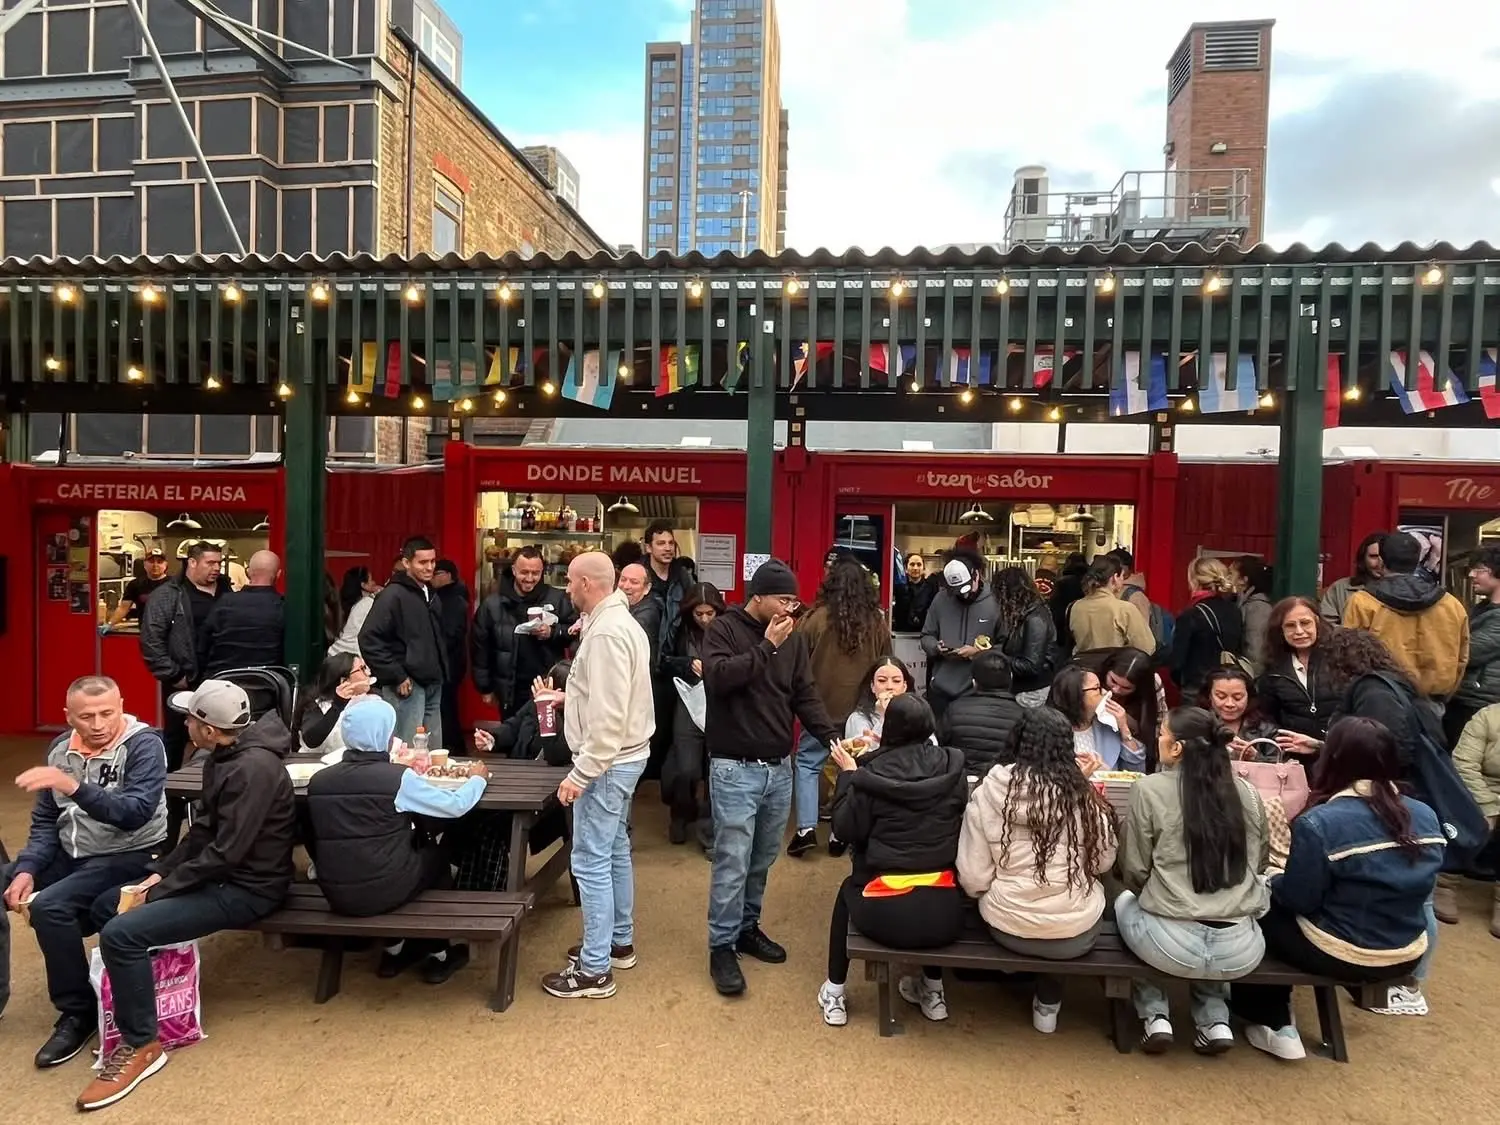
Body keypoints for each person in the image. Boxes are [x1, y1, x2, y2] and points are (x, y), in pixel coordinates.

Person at [81, 680, 295, 1111]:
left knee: (122, 934)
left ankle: (143, 1045)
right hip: (222, 875)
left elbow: (227, 853)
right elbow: (203, 832)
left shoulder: (252, 769)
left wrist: (163, 887)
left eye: (192, 718)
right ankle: (131, 1010)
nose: (185, 723)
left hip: (249, 888)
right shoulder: (222, 755)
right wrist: (159, 873)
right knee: (108, 906)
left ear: (210, 730)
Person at [1229, 718, 1445, 1060]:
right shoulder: (1426, 815)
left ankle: (1270, 1018)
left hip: (1342, 950)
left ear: (1334, 760)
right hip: (1406, 951)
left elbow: (1299, 899)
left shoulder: (1322, 822)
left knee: (1258, 905)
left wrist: (1270, 877)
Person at [1, 677, 166, 1069]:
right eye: (86, 716)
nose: (98, 724)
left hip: (130, 853)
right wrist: (26, 869)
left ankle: (76, 1013)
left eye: (107, 713)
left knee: (51, 907)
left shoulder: (145, 745)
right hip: (71, 852)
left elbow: (133, 814)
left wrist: (73, 786)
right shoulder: (60, 748)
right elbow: (45, 821)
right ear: (68, 716)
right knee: (10, 879)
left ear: (122, 706)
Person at [701, 559, 839, 997]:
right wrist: (765, 646)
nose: (790, 609)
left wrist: (832, 737)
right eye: (783, 600)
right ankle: (721, 946)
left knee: (761, 859)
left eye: (795, 601)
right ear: (757, 597)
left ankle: (747, 928)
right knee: (732, 862)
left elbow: (803, 693)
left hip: (778, 770)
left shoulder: (793, 637)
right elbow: (719, 680)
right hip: (733, 768)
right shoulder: (723, 629)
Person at [1116, 707, 1270, 1055]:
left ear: (1177, 748)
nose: (1158, 738)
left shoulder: (1149, 789)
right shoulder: (1247, 792)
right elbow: (1260, 864)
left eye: (1162, 733)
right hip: (1241, 948)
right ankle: (1215, 1021)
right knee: (1211, 914)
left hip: (1168, 943)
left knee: (1125, 901)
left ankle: (1154, 1014)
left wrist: (1162, 893)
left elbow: (1135, 870)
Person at [305, 697, 491, 982]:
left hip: (335, 894)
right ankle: (438, 953)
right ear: (385, 734)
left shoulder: (320, 781)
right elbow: (454, 806)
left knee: (398, 852)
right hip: (385, 890)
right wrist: (478, 779)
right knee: (437, 854)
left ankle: (395, 950)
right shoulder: (396, 778)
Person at [957, 707, 1119, 1034]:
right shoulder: (1083, 795)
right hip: (1075, 931)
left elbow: (973, 878)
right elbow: (1103, 862)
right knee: (1086, 903)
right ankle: (1048, 1004)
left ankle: (1010, 979)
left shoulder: (991, 790)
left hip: (1006, 924)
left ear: (1017, 740)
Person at [540, 551, 655, 999]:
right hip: (627, 755)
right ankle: (617, 942)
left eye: (570, 581)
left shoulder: (605, 632)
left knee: (589, 860)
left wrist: (580, 774)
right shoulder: (622, 623)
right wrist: (575, 699)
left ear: (588, 583)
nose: (566, 589)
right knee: (614, 850)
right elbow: (619, 695)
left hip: (606, 762)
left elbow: (607, 718)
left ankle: (594, 969)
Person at [817, 696, 967, 1028]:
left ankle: (834, 991)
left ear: (890, 728)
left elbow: (843, 829)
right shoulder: (952, 767)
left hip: (886, 909)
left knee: (845, 893)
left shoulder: (869, 771)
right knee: (932, 875)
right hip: (946, 910)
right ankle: (933, 991)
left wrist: (847, 776)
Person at [790, 557, 892, 856]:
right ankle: (839, 834)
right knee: (854, 769)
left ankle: (806, 829)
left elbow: (796, 662)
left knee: (808, 765)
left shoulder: (813, 619)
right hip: (861, 712)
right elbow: (885, 666)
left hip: (819, 709)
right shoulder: (877, 623)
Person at [139, 540, 225, 838]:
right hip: (184, 684)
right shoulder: (168, 595)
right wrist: (173, 675)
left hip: (220, 685)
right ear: (191, 562)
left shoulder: (227, 592)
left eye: (218, 563)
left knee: (222, 747)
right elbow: (151, 640)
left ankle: (215, 813)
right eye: (210, 563)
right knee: (176, 748)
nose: (216, 568)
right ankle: (168, 828)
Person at [1342, 530, 1470, 702]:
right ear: (1417, 560)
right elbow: (1462, 659)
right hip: (1433, 699)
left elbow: (1350, 654)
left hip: (1379, 697)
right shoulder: (1451, 604)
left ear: (1381, 560)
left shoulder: (1362, 602)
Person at [360, 536, 448, 747]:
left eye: (433, 561)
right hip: (408, 684)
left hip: (432, 680)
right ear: (406, 563)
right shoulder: (392, 595)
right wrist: (396, 675)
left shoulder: (429, 593)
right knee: (406, 750)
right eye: (423, 562)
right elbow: (368, 638)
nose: (429, 567)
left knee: (433, 750)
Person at [471, 545, 574, 721]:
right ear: (513, 570)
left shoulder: (557, 599)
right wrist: (485, 687)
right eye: (524, 572)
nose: (529, 578)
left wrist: (553, 632)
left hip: (547, 684)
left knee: (544, 740)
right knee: (511, 738)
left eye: (536, 573)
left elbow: (574, 631)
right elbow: (480, 647)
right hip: (509, 687)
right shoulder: (493, 604)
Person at [660, 584, 726, 847]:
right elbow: (662, 661)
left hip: (719, 705)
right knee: (686, 769)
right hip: (687, 703)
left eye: (710, 613)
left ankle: (709, 832)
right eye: (699, 614)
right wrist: (686, 664)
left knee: (716, 772)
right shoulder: (679, 629)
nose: (705, 619)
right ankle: (682, 811)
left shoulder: (728, 628)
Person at [920, 550, 999, 721]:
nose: (964, 595)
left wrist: (979, 653)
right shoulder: (941, 599)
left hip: (977, 691)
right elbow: (926, 635)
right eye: (956, 592)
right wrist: (935, 647)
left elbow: (1004, 646)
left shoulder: (996, 602)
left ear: (976, 575)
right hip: (941, 689)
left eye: (967, 589)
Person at [1451, 703, 1500, 936]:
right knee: (1461, 807)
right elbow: (1463, 764)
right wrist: (1489, 804)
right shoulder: (1488, 717)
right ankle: (1445, 882)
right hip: (1479, 789)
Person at [198, 549, 285, 676]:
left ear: (248, 572)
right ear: (278, 574)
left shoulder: (224, 602)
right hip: (265, 683)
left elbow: (203, 645)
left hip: (222, 681)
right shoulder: (282, 607)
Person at [1046, 663, 1146, 772]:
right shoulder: (1048, 731)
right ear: (1077, 694)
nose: (1105, 692)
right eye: (1097, 688)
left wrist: (1124, 729)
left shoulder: (1108, 727)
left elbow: (1136, 773)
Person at [940, 650, 1024, 779]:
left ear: (974, 682)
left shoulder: (954, 710)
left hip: (962, 783)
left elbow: (940, 748)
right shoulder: (1024, 715)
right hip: (1004, 786)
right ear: (1011, 678)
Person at [1170, 557, 1245, 699]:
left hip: (1196, 689)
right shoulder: (1235, 610)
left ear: (1194, 581)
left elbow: (1177, 662)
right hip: (1226, 686)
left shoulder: (1191, 615)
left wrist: (1183, 682)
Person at [1449, 547, 1500, 747]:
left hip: (1479, 702)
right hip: (1468, 699)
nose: (1471, 575)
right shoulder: (1482, 609)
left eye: (1479, 569)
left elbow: (1469, 652)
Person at [990, 565, 1059, 705]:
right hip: (1025, 689)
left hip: (1031, 692)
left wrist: (996, 656)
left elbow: (1031, 666)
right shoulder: (1026, 614)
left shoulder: (1035, 618)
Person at [1068, 556, 1156, 657]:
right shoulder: (1124, 609)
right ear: (1114, 577)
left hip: (1083, 669)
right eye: (1122, 576)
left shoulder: (1075, 607)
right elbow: (1147, 647)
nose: (1123, 581)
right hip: (1114, 670)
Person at [294, 652, 374, 755]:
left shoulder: (371, 700)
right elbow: (311, 741)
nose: (368, 673)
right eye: (362, 669)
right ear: (344, 681)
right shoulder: (316, 705)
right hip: (314, 764)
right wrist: (338, 705)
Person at [1098, 647, 1165, 766]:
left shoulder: (1153, 684)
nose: (1116, 689)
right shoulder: (1091, 681)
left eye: (1126, 688)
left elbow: (1158, 726)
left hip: (1135, 748)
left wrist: (1126, 723)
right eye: (1113, 681)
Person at [431, 560, 471, 753]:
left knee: (446, 706)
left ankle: (453, 747)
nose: (432, 576)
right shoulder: (448, 596)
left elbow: (451, 634)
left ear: (448, 575)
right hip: (448, 661)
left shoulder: (453, 599)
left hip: (449, 662)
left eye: (436, 572)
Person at [1200, 668, 1281, 761]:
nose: (1229, 704)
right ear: (1209, 696)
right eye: (1221, 697)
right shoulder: (1194, 726)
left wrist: (1255, 757)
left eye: (1237, 698)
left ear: (1249, 697)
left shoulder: (1267, 730)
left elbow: (1281, 769)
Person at [1320, 531, 1387, 627]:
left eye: (1385, 557)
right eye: (1374, 557)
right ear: (1363, 558)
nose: (1380, 563)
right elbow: (1326, 624)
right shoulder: (1340, 588)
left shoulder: (1405, 591)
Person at [105, 548, 170, 628]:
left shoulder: (174, 584)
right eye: (151, 561)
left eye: (159, 562)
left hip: (170, 633)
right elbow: (123, 609)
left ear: (165, 565)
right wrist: (109, 624)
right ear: (145, 564)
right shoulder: (135, 584)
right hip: (146, 632)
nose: (155, 565)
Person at [1233, 556, 1275, 677]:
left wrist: (1249, 678)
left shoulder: (1257, 607)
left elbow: (1256, 649)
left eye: (1231, 573)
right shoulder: (1245, 603)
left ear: (1244, 579)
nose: (1227, 578)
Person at [328, 567, 381, 658]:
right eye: (371, 580)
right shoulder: (367, 603)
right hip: (352, 657)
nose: (374, 583)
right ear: (364, 585)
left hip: (337, 654)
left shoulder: (353, 605)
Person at [617, 562, 663, 666]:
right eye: (623, 580)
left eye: (634, 582)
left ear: (647, 588)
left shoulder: (648, 613)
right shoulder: (619, 605)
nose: (626, 586)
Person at [1048, 552, 1089, 654]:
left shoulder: (1061, 582)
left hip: (1063, 626)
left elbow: (1054, 608)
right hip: (1083, 626)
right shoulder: (1088, 582)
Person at [893, 552, 936, 633]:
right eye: (912, 564)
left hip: (924, 632)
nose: (915, 568)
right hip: (901, 632)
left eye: (919, 564)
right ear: (905, 569)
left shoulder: (931, 588)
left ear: (923, 569)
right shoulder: (899, 588)